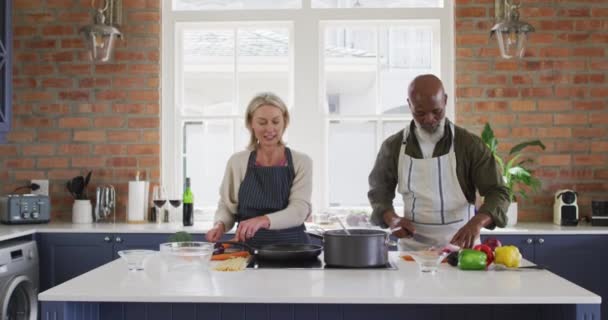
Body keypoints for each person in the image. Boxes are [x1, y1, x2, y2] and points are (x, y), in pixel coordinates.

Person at [368, 74, 510, 250]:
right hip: (412, 251)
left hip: (461, 248)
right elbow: (379, 192)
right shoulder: (393, 147)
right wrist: (392, 219)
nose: (429, 119)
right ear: (409, 104)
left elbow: (498, 192)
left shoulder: (469, 145)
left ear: (445, 101)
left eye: (436, 111)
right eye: (420, 113)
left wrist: (477, 223)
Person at [205, 92, 313, 247]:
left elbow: (298, 211)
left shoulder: (301, 162)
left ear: (285, 122)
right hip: (248, 249)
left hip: (294, 250)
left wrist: (262, 221)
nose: (270, 129)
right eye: (262, 122)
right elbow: (227, 205)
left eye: (276, 122)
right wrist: (220, 225)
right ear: (251, 124)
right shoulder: (237, 162)